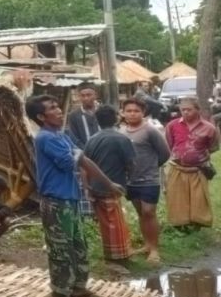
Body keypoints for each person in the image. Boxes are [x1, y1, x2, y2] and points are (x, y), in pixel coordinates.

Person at [27, 95, 125, 297]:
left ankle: (78, 287)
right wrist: (78, 153)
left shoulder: (60, 136)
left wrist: (109, 184)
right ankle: (60, 293)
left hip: (70, 198)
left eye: (57, 105)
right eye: (53, 108)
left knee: (78, 245)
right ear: (41, 117)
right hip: (55, 201)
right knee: (60, 249)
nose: (59, 110)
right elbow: (67, 162)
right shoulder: (45, 138)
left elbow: (84, 160)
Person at [120, 97, 171, 263]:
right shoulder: (121, 131)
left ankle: (155, 250)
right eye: (129, 111)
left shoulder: (150, 130)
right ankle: (147, 244)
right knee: (141, 213)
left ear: (143, 113)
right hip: (130, 180)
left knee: (149, 212)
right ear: (123, 112)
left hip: (149, 179)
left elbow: (165, 153)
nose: (132, 114)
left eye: (136, 111)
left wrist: (151, 167)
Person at [83, 105, 136, 262]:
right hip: (113, 185)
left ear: (98, 121)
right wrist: (129, 180)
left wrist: (87, 188)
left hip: (95, 186)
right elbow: (131, 164)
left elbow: (84, 166)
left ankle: (117, 254)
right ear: (116, 119)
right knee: (114, 222)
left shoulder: (92, 140)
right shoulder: (122, 139)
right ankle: (117, 256)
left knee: (106, 221)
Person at [164, 97, 219, 229]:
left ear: (198, 110)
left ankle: (197, 223)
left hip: (198, 169)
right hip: (177, 168)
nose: (185, 112)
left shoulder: (209, 128)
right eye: (183, 110)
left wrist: (198, 156)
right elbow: (170, 144)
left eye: (189, 109)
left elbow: (214, 147)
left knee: (198, 198)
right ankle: (180, 225)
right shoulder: (172, 125)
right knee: (178, 197)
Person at [65, 84, 101, 149]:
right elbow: (74, 138)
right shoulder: (74, 115)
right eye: (82, 96)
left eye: (89, 95)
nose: (86, 98)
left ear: (95, 95)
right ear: (79, 97)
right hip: (85, 152)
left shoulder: (103, 111)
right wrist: (86, 150)